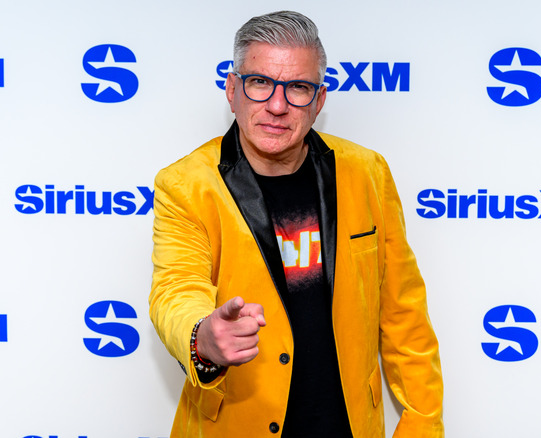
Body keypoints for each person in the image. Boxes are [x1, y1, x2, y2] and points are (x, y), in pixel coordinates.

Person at [149, 10, 444, 438]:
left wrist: (422, 424)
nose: (277, 105)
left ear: (319, 101)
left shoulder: (367, 172)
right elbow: (176, 289)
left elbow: (404, 314)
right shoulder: (185, 185)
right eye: (260, 82)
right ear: (232, 89)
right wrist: (202, 339)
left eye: (298, 88)